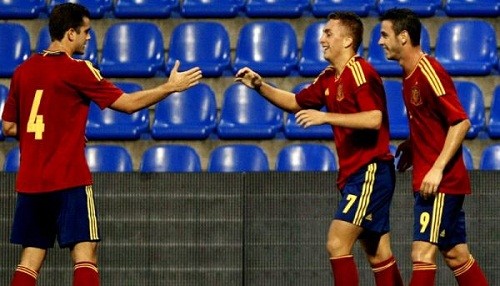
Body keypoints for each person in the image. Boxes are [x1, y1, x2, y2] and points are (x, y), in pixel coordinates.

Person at [2, 3, 202, 286]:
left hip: (31, 182)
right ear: (70, 33)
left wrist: (56, 133)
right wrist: (169, 87)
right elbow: (129, 104)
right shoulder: (79, 70)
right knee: (85, 254)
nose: (88, 38)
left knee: (30, 260)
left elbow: (9, 126)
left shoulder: (23, 71)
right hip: (68, 179)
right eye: (85, 32)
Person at [236, 12, 403, 286]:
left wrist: (326, 117)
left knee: (337, 243)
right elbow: (295, 102)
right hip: (354, 174)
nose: (321, 38)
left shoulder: (361, 73)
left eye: (328, 33)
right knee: (378, 254)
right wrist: (260, 86)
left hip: (371, 170)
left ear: (347, 40)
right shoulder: (328, 77)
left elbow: (374, 119)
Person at [378, 8, 488, 286]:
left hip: (440, 183)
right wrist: (414, 145)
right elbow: (435, 122)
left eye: (384, 34)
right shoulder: (408, 75)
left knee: (421, 253)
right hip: (430, 177)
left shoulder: (429, 71)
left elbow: (461, 122)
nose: (380, 41)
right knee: (456, 255)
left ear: (403, 37)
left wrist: (437, 169)